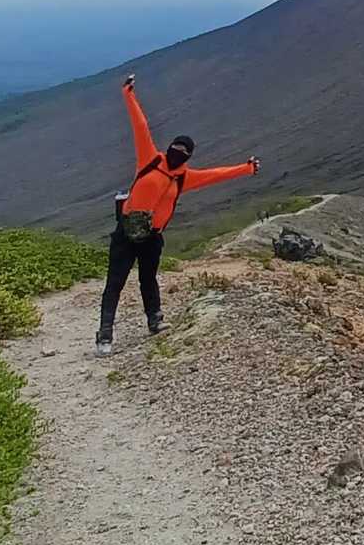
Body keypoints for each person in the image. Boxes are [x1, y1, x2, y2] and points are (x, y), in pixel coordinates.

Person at [96, 74, 260, 356]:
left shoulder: (185, 177)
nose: (178, 153)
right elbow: (140, 126)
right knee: (115, 283)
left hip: (152, 237)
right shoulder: (150, 159)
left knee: (148, 279)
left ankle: (155, 320)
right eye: (176, 148)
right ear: (169, 147)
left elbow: (215, 175)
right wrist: (128, 94)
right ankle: (105, 333)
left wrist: (246, 169)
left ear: (189, 156)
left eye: (184, 152)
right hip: (126, 233)